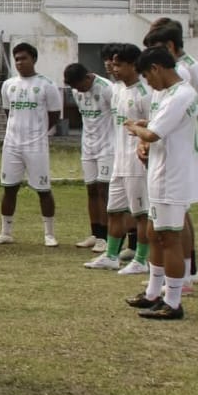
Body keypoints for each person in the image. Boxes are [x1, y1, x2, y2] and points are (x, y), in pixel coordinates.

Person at [124, 47, 198, 320]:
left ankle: (174, 300)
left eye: (147, 76)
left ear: (156, 68)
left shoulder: (179, 95)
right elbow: (160, 127)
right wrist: (145, 130)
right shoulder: (173, 94)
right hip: (166, 172)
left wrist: (135, 129)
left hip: (172, 176)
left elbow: (154, 134)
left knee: (169, 238)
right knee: (157, 234)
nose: (148, 83)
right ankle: (154, 292)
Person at [144, 20, 198, 290]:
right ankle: (158, 288)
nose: (148, 81)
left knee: (172, 230)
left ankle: (181, 281)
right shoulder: (170, 87)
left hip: (175, 168)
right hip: (166, 163)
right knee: (162, 230)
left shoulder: (185, 74)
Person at [85, 44, 151, 274]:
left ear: (134, 65)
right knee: (114, 210)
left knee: (141, 214)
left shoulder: (145, 93)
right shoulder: (117, 90)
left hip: (137, 164)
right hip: (118, 161)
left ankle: (141, 259)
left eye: (119, 64)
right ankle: (112, 255)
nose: (113, 68)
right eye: (112, 64)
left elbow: (155, 130)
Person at [0, 42, 62, 247]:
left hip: (36, 145)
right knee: (9, 188)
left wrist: (39, 132)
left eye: (24, 58)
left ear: (34, 59)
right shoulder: (9, 84)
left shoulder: (47, 84)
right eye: (17, 59)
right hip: (12, 144)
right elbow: (7, 111)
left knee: (43, 189)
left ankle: (49, 234)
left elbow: (54, 114)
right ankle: (6, 232)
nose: (20, 62)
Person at [64, 63, 114, 253]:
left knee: (104, 190)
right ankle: (95, 233)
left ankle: (107, 236)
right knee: (91, 190)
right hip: (88, 147)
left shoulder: (107, 89)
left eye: (80, 86)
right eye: (74, 88)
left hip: (108, 147)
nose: (78, 90)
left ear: (87, 78)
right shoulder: (78, 92)